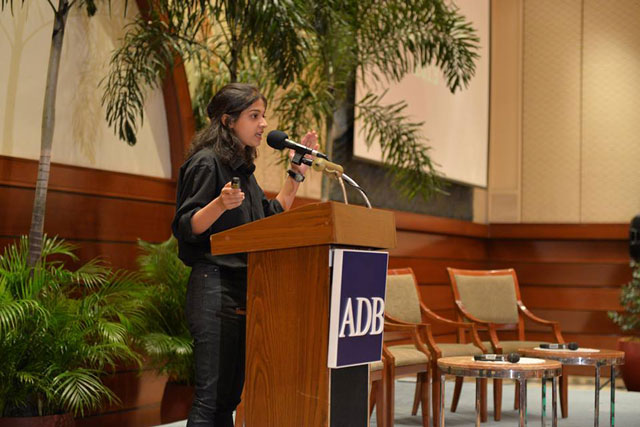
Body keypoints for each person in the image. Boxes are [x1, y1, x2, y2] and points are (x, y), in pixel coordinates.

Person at [171, 83, 317, 426]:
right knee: (211, 400)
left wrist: (297, 174)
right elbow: (185, 225)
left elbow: (267, 218)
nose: (263, 124)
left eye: (263, 115)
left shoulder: (242, 173)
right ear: (227, 120)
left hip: (243, 289)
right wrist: (219, 204)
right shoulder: (207, 164)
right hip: (214, 289)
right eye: (254, 116)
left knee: (229, 399)